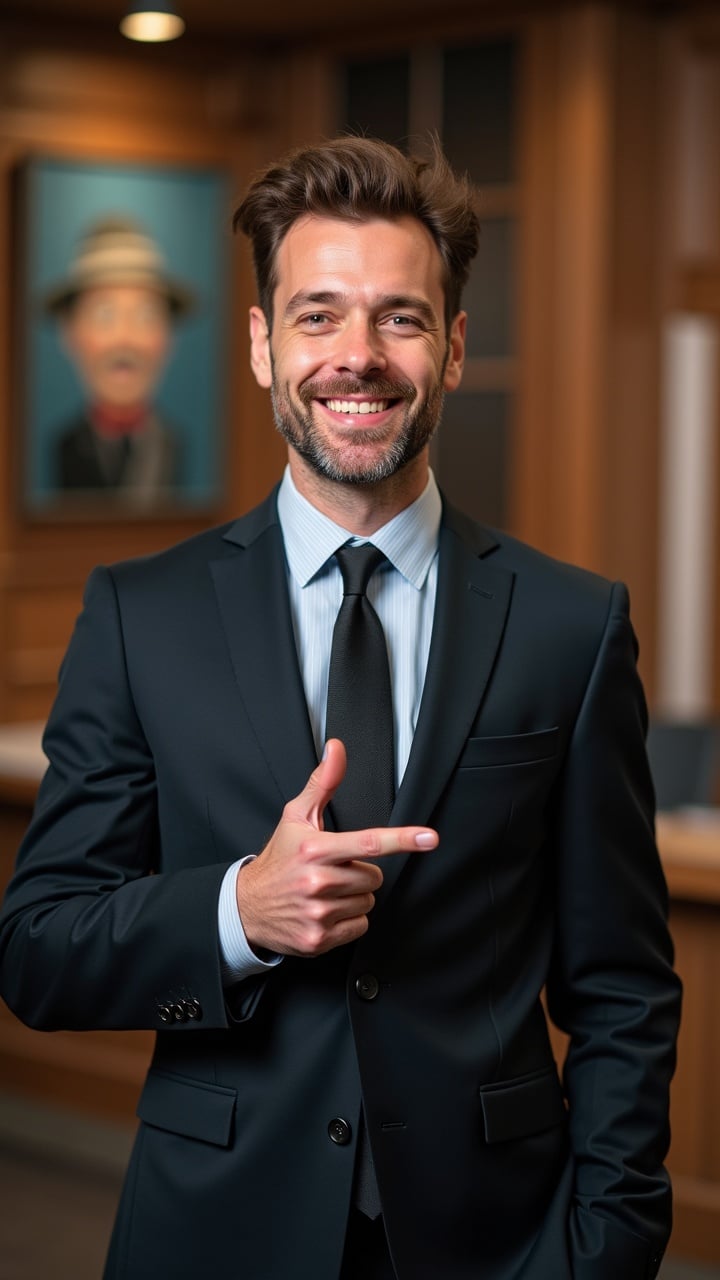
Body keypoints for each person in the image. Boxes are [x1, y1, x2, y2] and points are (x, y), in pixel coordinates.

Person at [0, 136, 680, 1280]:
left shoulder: (574, 625)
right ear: (263, 346)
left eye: (400, 318)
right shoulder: (138, 615)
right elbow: (37, 950)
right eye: (317, 316)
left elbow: (623, 984)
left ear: (454, 347)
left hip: (496, 1242)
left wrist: (607, 1243)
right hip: (214, 1228)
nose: (356, 358)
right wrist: (238, 911)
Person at [43, 215, 194, 501]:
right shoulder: (59, 446)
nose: (125, 339)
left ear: (169, 338)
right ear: (69, 334)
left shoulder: (175, 444)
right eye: (105, 316)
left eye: (145, 317)